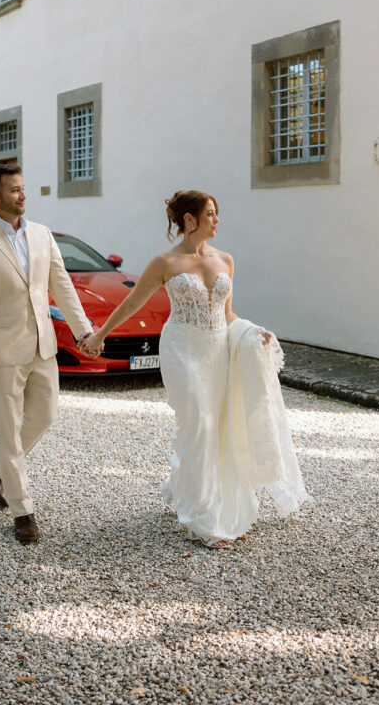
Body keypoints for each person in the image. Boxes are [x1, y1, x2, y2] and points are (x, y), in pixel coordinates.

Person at [81, 190, 310, 548]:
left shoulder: (226, 261)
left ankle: (198, 493)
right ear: (190, 220)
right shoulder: (165, 262)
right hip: (182, 349)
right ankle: (201, 520)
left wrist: (252, 332)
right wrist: (100, 335)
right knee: (199, 422)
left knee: (216, 427)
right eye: (211, 214)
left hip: (217, 350)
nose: (217, 220)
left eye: (217, 214)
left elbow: (228, 313)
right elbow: (132, 303)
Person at [0, 163, 95, 544]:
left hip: (43, 347)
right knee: (8, 431)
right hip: (1, 354)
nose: (23, 195)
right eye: (14, 190)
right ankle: (22, 511)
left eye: (23, 188)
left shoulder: (42, 234)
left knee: (44, 416)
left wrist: (83, 330)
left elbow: (62, 285)